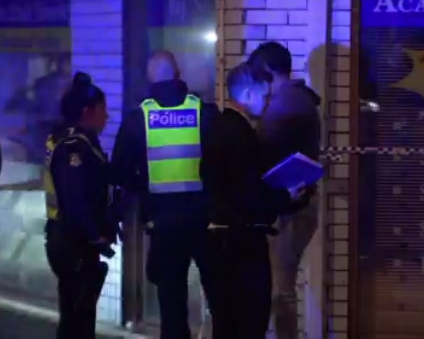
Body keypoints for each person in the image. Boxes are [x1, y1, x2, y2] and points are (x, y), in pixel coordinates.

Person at [111, 50, 219, 339]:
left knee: (171, 306)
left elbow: (119, 173)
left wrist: (143, 185)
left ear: (150, 79)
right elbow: (223, 163)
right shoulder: (204, 113)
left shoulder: (137, 119)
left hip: (163, 224)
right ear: (178, 74)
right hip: (206, 223)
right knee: (221, 301)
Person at [200, 62, 306, 339]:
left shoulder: (219, 127)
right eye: (265, 96)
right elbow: (247, 193)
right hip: (241, 244)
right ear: (248, 94)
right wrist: (284, 195)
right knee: (248, 322)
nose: (268, 102)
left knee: (226, 323)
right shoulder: (240, 134)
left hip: (222, 241)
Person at [248, 41, 321, 339]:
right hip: (292, 207)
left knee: (281, 288)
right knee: (281, 286)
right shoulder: (298, 98)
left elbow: (260, 144)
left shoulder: (287, 102)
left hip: (290, 211)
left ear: (266, 70)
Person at [44, 72, 116, 339]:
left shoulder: (70, 139)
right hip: (73, 242)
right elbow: (75, 200)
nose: (106, 116)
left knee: (76, 317)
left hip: (67, 239)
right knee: (78, 321)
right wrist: (96, 236)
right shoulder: (75, 146)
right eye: (102, 110)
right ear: (87, 112)